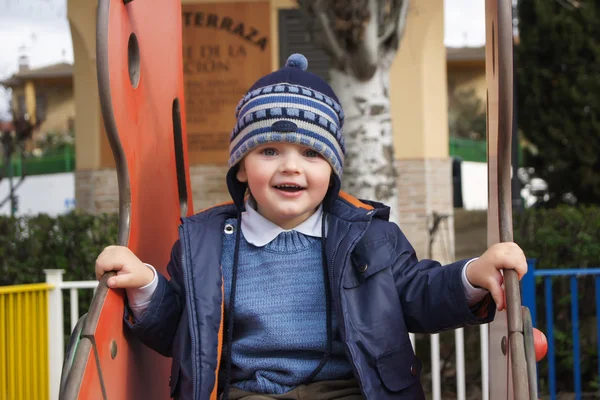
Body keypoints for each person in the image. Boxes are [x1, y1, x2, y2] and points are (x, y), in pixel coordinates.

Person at [95, 54, 527, 400]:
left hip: (349, 388)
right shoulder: (205, 243)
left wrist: (472, 275)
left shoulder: (368, 237)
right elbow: (183, 332)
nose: (291, 167)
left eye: (310, 153)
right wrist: (145, 285)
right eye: (268, 150)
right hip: (249, 391)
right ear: (241, 168)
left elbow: (419, 293)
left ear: (332, 170)